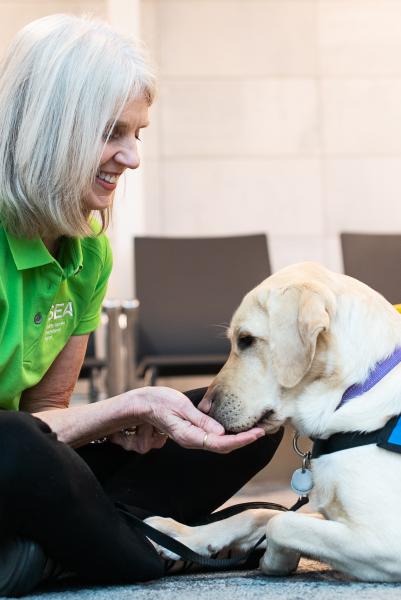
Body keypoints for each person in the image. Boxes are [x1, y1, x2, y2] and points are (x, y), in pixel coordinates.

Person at [0, 13, 283, 597]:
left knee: (243, 417)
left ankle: (57, 550)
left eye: (138, 134)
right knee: (15, 444)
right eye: (111, 132)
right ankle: (147, 552)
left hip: (27, 469)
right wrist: (115, 408)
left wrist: (124, 421)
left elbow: (51, 413)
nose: (132, 157)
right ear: (49, 129)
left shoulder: (88, 253)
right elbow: (26, 439)